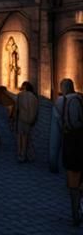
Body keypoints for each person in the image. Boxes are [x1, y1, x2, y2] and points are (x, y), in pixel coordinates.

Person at [60, 78, 83, 226]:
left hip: (75, 146)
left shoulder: (72, 101)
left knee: (74, 184)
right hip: (74, 145)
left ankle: (76, 214)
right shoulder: (74, 100)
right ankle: (76, 213)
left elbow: (74, 123)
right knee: (75, 184)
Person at [13, 80, 39, 164]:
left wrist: (13, 118)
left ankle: (19, 154)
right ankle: (24, 155)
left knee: (19, 137)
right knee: (25, 137)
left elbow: (16, 108)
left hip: (21, 119)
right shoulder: (34, 97)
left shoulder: (20, 95)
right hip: (29, 120)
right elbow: (36, 110)